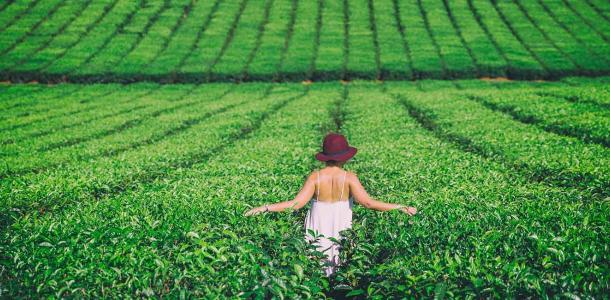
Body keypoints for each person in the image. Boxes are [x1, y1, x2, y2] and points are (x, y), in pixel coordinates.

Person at [244, 133, 417, 276]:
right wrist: (400, 207)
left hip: (317, 230)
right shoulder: (349, 177)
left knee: (315, 270)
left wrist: (264, 208)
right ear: (344, 156)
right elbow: (368, 203)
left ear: (325, 157)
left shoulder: (315, 177)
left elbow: (296, 204)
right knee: (342, 270)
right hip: (340, 230)